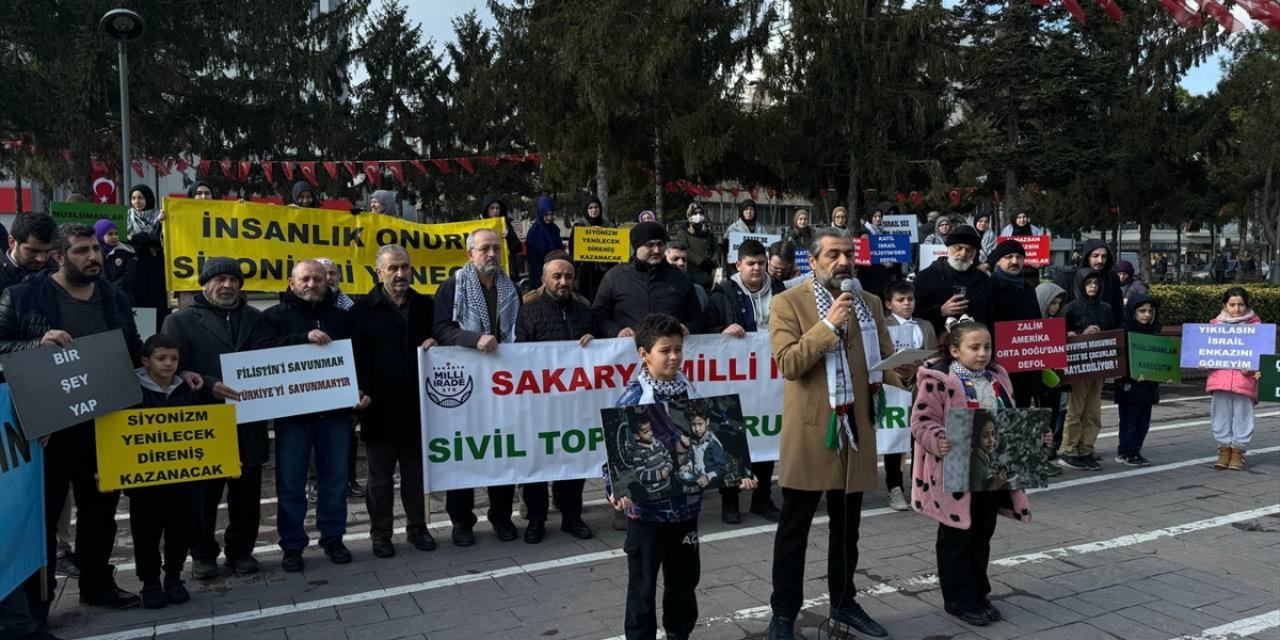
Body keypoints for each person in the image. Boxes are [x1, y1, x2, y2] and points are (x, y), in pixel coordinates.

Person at [0, 223, 145, 610]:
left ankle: (97, 585)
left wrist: (168, 366)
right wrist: (34, 344)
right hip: (48, 429)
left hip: (103, 423)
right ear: (58, 257)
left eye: (95, 249)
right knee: (43, 519)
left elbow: (133, 350)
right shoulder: (21, 297)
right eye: (82, 251)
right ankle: (37, 603)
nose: (94, 257)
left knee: (100, 512)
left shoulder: (113, 297)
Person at [766, 227, 899, 640]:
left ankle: (843, 603)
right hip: (812, 433)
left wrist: (907, 371)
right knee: (794, 530)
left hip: (855, 432)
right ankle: (784, 614)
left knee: (848, 529)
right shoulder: (787, 303)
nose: (844, 262)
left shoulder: (870, 302)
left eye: (849, 255)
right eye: (834, 255)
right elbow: (789, 363)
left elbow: (884, 360)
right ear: (813, 261)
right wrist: (827, 325)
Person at [605, 313, 757, 640]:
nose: (674, 356)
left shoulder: (690, 392)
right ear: (644, 355)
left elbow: (711, 444)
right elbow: (614, 457)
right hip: (646, 515)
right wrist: (613, 489)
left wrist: (737, 473)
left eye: (678, 349)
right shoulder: (633, 399)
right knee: (642, 588)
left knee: (685, 584)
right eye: (665, 350)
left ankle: (679, 634)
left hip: (686, 510)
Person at [910, 319, 1047, 627]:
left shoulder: (998, 377)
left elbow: (1008, 418)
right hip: (954, 474)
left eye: (987, 347)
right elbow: (921, 421)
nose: (983, 353)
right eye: (974, 347)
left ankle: (979, 593)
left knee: (982, 534)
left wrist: (1033, 437)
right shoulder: (938, 379)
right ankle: (959, 599)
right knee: (957, 538)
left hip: (991, 469)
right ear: (955, 350)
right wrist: (937, 438)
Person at [162, 257, 274, 579]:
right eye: (219, 279)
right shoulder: (179, 322)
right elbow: (169, 367)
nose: (227, 285)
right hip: (205, 419)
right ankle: (202, 553)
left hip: (248, 417)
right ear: (204, 283)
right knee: (202, 494)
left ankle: (241, 551)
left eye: (233, 279)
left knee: (247, 490)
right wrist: (207, 383)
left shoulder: (256, 318)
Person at [259, 261, 368, 571]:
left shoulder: (342, 318)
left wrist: (360, 390)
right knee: (290, 483)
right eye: (304, 278)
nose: (311, 283)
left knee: (334, 480)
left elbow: (359, 357)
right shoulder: (273, 317)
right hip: (293, 417)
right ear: (291, 283)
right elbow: (259, 355)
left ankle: (333, 537)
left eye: (318, 279)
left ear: (327, 283)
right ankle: (292, 545)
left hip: (334, 415)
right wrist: (301, 339)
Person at [435, 228, 522, 545]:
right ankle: (462, 521)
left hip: (501, 385)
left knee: (501, 450)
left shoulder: (510, 288)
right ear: (470, 253)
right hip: (464, 388)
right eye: (484, 249)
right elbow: (442, 329)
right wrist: (474, 339)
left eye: (496, 249)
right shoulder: (453, 286)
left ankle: (501, 517)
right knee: (464, 454)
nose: (491, 255)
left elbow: (517, 330)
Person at [350, 244, 438, 557]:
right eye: (393, 268)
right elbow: (355, 357)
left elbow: (438, 340)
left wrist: (436, 342)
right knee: (380, 480)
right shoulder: (361, 311)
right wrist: (360, 391)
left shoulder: (425, 305)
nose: (400, 274)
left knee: (415, 475)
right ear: (379, 272)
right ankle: (381, 534)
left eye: (405, 267)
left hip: (417, 409)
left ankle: (418, 528)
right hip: (379, 410)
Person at [515, 251, 597, 543]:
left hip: (576, 404)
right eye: (557, 276)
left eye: (568, 276)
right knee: (538, 463)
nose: (563, 282)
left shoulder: (586, 312)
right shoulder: (528, 312)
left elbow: (602, 356)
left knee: (573, 462)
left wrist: (595, 342)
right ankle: (536, 520)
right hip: (539, 405)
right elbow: (519, 357)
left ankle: (571, 517)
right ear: (544, 279)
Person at [128, 334, 210, 609]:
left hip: (183, 478)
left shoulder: (187, 389)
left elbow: (202, 429)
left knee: (180, 529)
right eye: (161, 358)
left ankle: (173, 577)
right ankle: (150, 582)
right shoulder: (130, 390)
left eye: (174, 359)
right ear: (145, 360)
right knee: (146, 532)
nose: (168, 364)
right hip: (145, 482)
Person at [705, 239, 784, 524]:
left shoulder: (778, 290)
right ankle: (729, 501)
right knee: (731, 435)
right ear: (738, 265)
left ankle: (762, 498)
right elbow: (703, 332)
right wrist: (721, 330)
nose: (757, 269)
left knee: (765, 435)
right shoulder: (723, 294)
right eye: (751, 264)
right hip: (733, 379)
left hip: (767, 378)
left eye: (761, 263)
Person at [593, 221, 707, 338]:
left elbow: (699, 319)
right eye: (650, 245)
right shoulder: (614, 277)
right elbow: (598, 316)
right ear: (636, 246)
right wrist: (616, 331)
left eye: (660, 244)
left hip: (670, 352)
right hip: (629, 353)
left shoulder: (681, 279)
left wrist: (688, 328)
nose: (656, 250)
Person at [881, 280, 937, 511]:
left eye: (910, 299)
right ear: (889, 304)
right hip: (895, 387)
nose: (906, 304)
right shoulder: (883, 325)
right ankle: (894, 488)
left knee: (920, 440)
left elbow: (934, 354)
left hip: (922, 387)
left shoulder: (924, 325)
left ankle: (920, 486)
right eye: (900, 300)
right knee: (895, 439)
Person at [1057, 269, 1114, 471]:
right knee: (1075, 411)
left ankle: (1087, 448)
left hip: (1098, 366)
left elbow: (1113, 334)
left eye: (1096, 283)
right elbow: (1059, 336)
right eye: (1088, 282)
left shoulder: (1106, 308)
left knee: (1093, 412)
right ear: (1080, 285)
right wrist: (1082, 333)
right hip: (1077, 368)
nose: (1092, 286)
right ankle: (1070, 450)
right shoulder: (1069, 309)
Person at [1206, 287, 1263, 471]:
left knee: (1243, 417)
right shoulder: (1213, 327)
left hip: (1244, 382)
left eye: (1241, 305)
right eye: (1232, 304)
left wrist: (1256, 367)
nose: (1236, 309)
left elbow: (1263, 357)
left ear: (1247, 306)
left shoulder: (1257, 328)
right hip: (1220, 380)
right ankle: (1223, 450)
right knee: (1220, 416)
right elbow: (1204, 352)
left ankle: (1238, 451)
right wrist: (1202, 360)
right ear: (1224, 305)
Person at [985, 240, 1042, 408]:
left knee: (1021, 419)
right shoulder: (989, 287)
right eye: (1008, 257)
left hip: (1026, 365)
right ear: (998, 260)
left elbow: (1036, 322)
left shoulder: (1029, 289)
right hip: (997, 365)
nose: (1015, 261)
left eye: (1019, 257)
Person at [914, 224, 990, 335]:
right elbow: (912, 315)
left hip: (975, 345)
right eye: (958, 248)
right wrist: (940, 311)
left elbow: (989, 315)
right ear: (949, 247)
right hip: (939, 345)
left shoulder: (982, 279)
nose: (963, 254)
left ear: (975, 253)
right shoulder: (926, 276)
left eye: (969, 250)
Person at [1114, 294, 1161, 467]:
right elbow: (1119, 360)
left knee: (1143, 422)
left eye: (1150, 311)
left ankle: (1136, 451)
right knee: (1129, 421)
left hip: (1148, 385)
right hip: (1129, 386)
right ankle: (1125, 452)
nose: (1147, 315)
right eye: (1142, 311)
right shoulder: (1124, 332)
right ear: (1132, 311)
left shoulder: (1154, 331)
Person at [1035, 282, 1068, 476]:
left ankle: (1044, 457)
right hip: (1040, 383)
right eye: (1052, 303)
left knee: (1051, 419)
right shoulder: (1030, 325)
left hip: (1054, 381)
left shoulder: (1055, 322)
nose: (1055, 307)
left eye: (1058, 303)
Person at [1054, 239, 1124, 330]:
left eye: (1104, 256)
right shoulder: (1067, 278)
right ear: (1087, 257)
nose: (1100, 260)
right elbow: (1058, 316)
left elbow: (1118, 314)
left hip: (1106, 336)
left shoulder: (1112, 279)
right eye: (1095, 256)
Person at [126, 184, 169, 326]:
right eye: (133, 198)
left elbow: (162, 240)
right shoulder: (126, 217)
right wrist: (147, 241)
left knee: (158, 304)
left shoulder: (161, 216)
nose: (136, 201)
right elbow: (125, 240)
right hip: (136, 268)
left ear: (148, 199)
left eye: (140, 197)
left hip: (157, 268)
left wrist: (137, 239)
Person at [570, 195, 615, 301]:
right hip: (585, 271)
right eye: (590, 208)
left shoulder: (609, 225)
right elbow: (573, 249)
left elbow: (615, 249)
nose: (594, 210)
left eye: (596, 207)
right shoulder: (579, 226)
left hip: (604, 271)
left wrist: (603, 234)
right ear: (586, 210)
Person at [1, 212, 56, 291]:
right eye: (33, 251)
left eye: (47, 251)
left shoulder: (56, 269)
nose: (41, 259)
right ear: (12, 242)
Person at [672, 204, 720, 291]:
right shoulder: (683, 231)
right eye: (695, 213)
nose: (698, 216)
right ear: (689, 215)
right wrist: (701, 262)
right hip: (693, 272)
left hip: (710, 272)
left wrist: (713, 261)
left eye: (700, 213)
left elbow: (716, 248)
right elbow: (685, 249)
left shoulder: (708, 231)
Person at [480, 194, 523, 280]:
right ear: (486, 209)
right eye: (492, 208)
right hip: (486, 271)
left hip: (506, 271)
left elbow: (518, 248)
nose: (495, 211)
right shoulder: (478, 224)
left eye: (497, 208)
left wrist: (509, 235)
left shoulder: (506, 223)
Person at [524, 195, 563, 287]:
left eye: (551, 214)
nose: (549, 218)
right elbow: (534, 261)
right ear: (540, 213)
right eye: (546, 214)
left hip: (556, 274)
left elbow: (560, 251)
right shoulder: (533, 233)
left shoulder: (555, 229)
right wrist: (545, 276)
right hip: (540, 278)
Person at [95, 219, 136, 299]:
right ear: (100, 235)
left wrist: (114, 288)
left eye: (116, 234)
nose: (114, 237)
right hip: (100, 294)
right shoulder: (94, 252)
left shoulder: (126, 251)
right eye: (110, 234)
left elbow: (129, 274)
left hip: (122, 294)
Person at [663, 243, 708, 310]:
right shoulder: (656, 290)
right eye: (675, 259)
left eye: (684, 259)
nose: (681, 263)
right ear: (664, 261)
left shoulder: (699, 291)